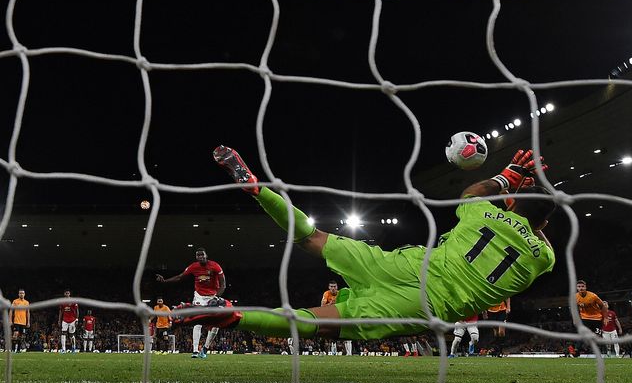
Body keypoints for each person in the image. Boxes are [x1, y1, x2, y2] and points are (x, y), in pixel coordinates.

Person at [174, 146, 555, 342]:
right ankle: (235, 315)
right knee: (315, 323)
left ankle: (259, 190)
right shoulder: (544, 258)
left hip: (407, 265)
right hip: (424, 304)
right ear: (545, 223)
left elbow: (472, 192)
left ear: (509, 202)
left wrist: (509, 176)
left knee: (313, 236)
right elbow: (535, 232)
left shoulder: (484, 214)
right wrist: (533, 209)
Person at [156, 247, 226, 358]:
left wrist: (216, 297)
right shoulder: (194, 267)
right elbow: (180, 277)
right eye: (198, 255)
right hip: (199, 297)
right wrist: (165, 281)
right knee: (197, 322)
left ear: (206, 255)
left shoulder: (215, 266)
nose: (200, 257)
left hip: (213, 297)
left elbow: (223, 285)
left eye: (202, 254)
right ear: (196, 257)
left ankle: (205, 349)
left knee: (215, 325)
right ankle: (195, 351)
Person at [319, 281, 353, 355]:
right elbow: (322, 307)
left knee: (347, 334)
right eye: (331, 286)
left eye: (334, 286)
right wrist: (331, 304)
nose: (333, 288)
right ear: (329, 287)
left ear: (337, 287)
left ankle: (349, 353)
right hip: (330, 316)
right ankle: (328, 352)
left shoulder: (341, 294)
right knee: (327, 335)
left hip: (341, 316)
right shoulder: (326, 294)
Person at [575, 280, 607, 354]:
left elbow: (603, 306)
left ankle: (602, 350)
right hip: (585, 318)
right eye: (579, 287)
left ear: (586, 287)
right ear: (577, 288)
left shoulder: (593, 296)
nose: (581, 288)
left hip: (597, 318)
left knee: (597, 336)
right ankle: (576, 351)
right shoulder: (575, 297)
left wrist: (605, 317)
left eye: (582, 286)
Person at [11, 289, 30, 353]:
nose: (21, 294)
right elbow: (11, 311)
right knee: (15, 335)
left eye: (22, 293)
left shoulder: (27, 302)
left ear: (24, 294)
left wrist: (28, 322)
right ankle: (13, 348)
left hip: (23, 322)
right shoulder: (15, 301)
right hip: (16, 321)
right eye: (20, 293)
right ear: (18, 294)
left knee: (21, 336)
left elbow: (28, 313)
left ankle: (18, 349)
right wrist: (10, 320)